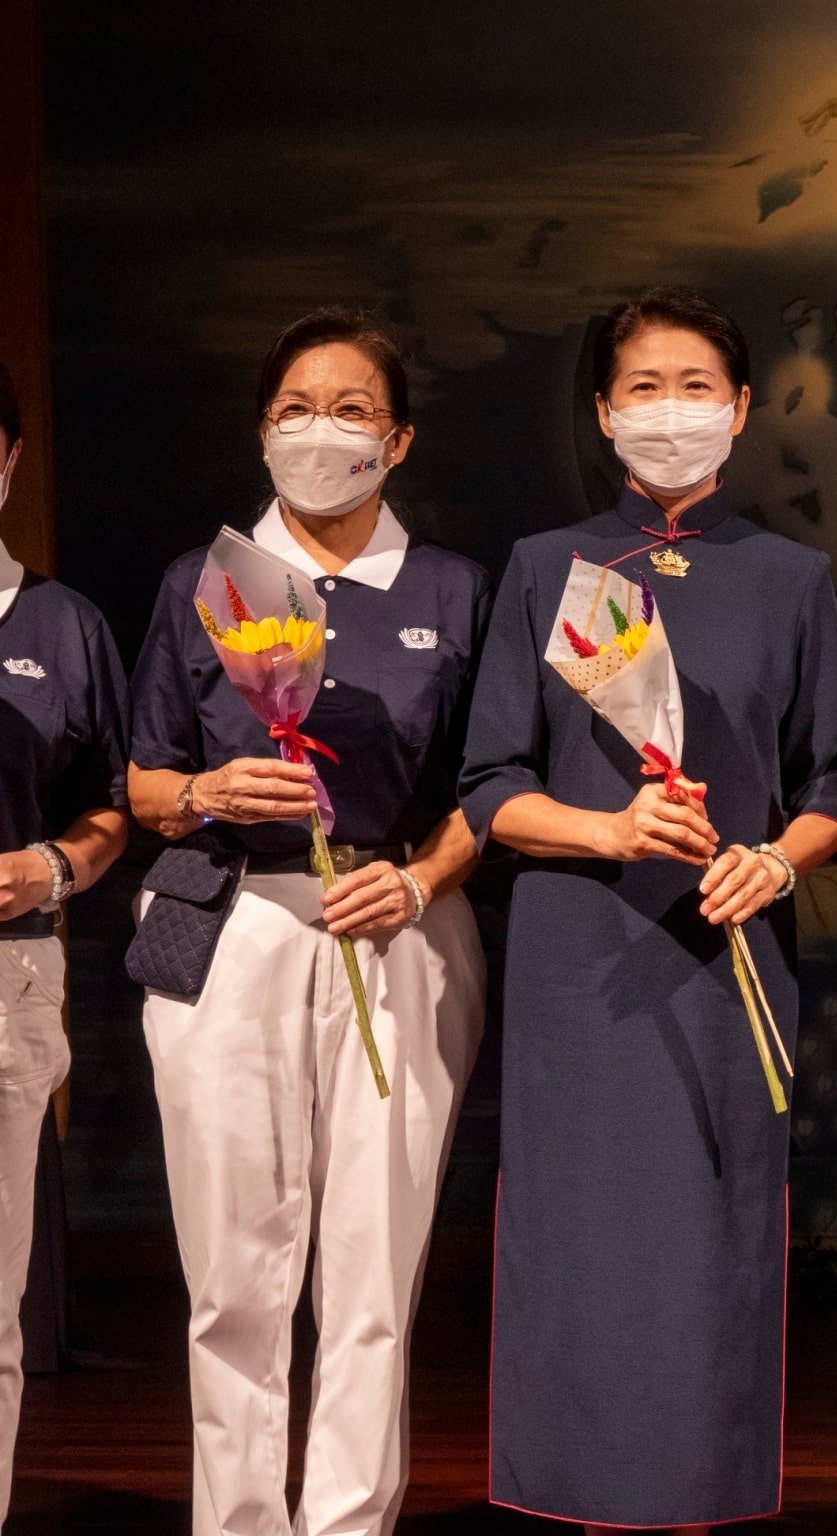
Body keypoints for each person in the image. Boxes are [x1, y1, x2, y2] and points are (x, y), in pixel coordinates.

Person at [460, 286, 837, 1532]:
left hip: (728, 962)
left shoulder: (792, 579)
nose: (670, 411)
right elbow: (488, 791)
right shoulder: (544, 568)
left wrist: (778, 863)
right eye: (645, 388)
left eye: (697, 388)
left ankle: (694, 1507)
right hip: (580, 965)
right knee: (582, 1259)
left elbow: (834, 783)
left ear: (739, 412)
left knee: (704, 1257)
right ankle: (584, 1506)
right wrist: (607, 830)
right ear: (603, 411)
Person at [126, 310, 490, 1536]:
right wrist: (205, 794)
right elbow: (142, 784)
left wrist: (420, 881)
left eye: (346, 412)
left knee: (372, 1272)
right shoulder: (204, 581)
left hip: (393, 928)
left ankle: (345, 1522)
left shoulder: (451, 589)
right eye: (293, 409)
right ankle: (234, 1522)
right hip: (231, 925)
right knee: (233, 1271)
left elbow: (485, 795)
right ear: (262, 429)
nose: (316, 431)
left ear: (396, 439)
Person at [0, 361, 129, 1525]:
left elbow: (110, 807)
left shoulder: (63, 625)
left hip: (11, 971)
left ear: (7, 459)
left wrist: (51, 867)